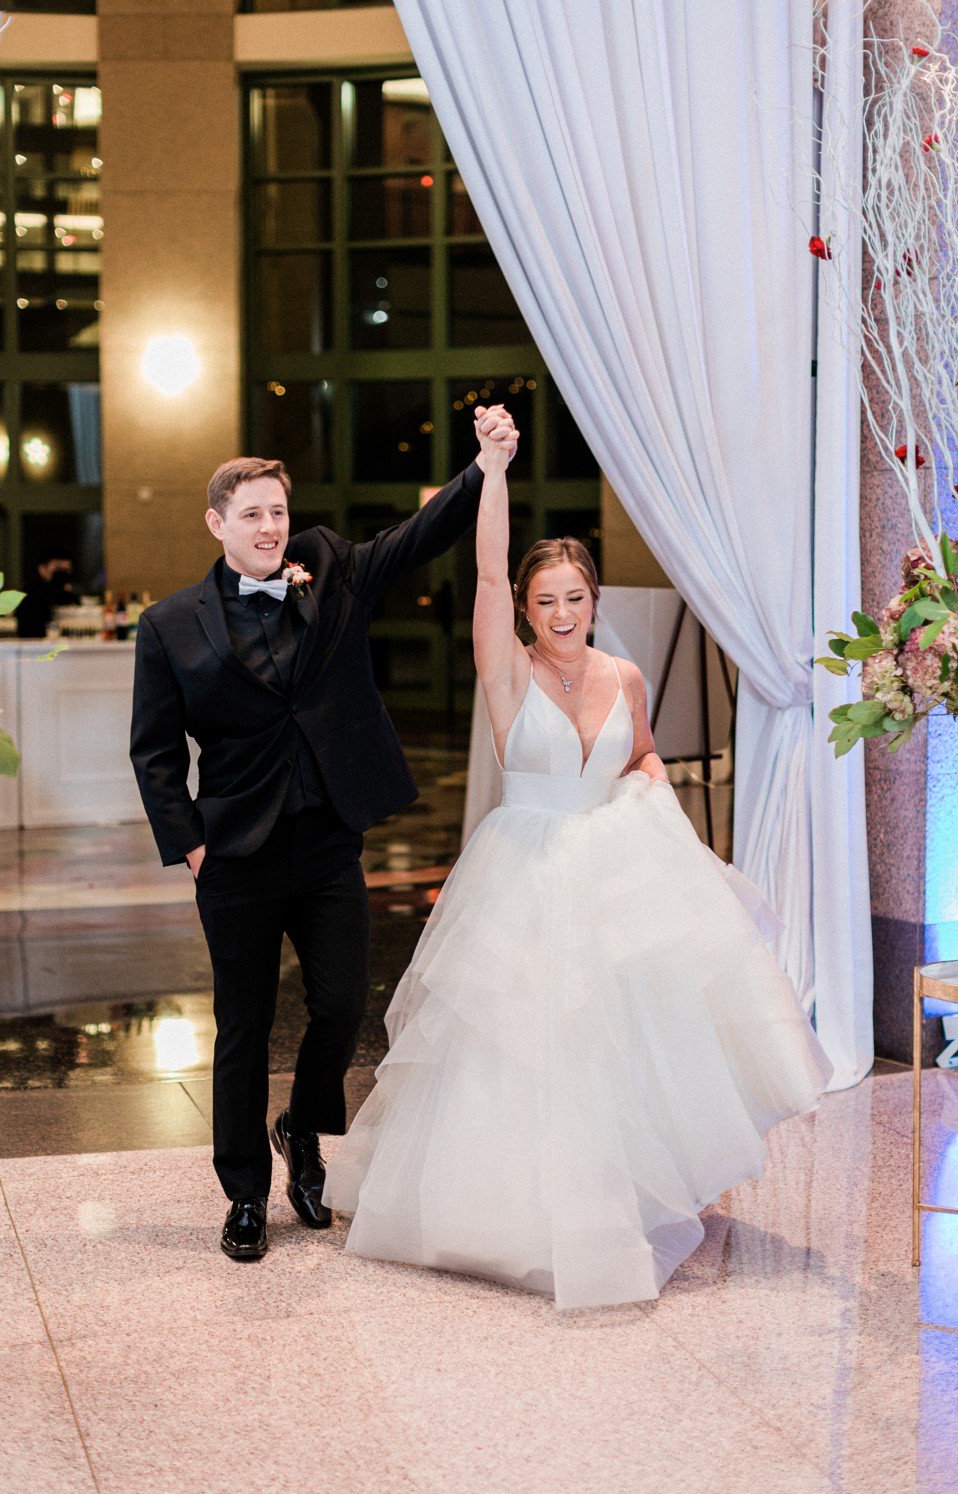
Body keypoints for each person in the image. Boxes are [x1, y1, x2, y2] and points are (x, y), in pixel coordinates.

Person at [323, 406, 832, 1310]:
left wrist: (651, 782)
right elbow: (484, 567)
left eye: (575, 599)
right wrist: (493, 469)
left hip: (613, 871)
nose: (560, 614)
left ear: (594, 602)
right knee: (520, 1042)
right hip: (522, 870)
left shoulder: (624, 677)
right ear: (524, 609)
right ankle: (503, 1210)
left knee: (625, 1041)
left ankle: (626, 1190)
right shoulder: (507, 668)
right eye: (544, 601)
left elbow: (641, 753)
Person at [129, 430, 499, 1262]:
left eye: (279, 511)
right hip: (236, 857)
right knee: (243, 1028)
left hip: (328, 840)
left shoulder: (328, 569)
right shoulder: (169, 626)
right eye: (253, 513)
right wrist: (192, 847)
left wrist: (485, 470)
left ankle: (302, 1127)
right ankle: (247, 1196)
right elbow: (154, 752)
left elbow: (418, 537)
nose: (270, 526)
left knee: (340, 1006)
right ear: (216, 522)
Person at [12, 551, 77, 639]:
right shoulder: (30, 596)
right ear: (42, 569)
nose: (62, 574)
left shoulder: (68, 595)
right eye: (58, 569)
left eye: (66, 570)